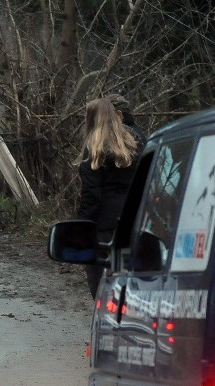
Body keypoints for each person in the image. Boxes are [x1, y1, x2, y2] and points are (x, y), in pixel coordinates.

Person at [77, 97, 141, 298]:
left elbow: (91, 196)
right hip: (134, 223)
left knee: (101, 291)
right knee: (130, 286)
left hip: (104, 229)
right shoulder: (134, 147)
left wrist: (80, 227)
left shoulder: (94, 153)